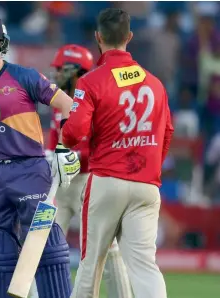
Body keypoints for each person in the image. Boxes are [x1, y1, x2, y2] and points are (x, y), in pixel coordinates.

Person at [0, 16, 80, 298]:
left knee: (47, 248)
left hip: (30, 170)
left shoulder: (26, 76)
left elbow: (70, 107)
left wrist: (64, 147)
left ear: (2, 44)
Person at [62, 8, 173, 298]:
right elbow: (168, 132)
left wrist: (63, 132)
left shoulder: (91, 82)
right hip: (147, 185)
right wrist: (149, 169)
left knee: (91, 264)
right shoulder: (156, 84)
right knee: (145, 267)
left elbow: (73, 133)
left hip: (107, 181)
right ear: (130, 37)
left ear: (98, 37)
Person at [44, 44, 132, 298]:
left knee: (103, 248)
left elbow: (105, 149)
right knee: (44, 245)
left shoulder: (99, 101)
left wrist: (74, 156)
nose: (56, 75)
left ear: (75, 71)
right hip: (61, 186)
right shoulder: (58, 102)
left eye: (61, 69)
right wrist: (50, 156)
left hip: (88, 184)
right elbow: (53, 142)